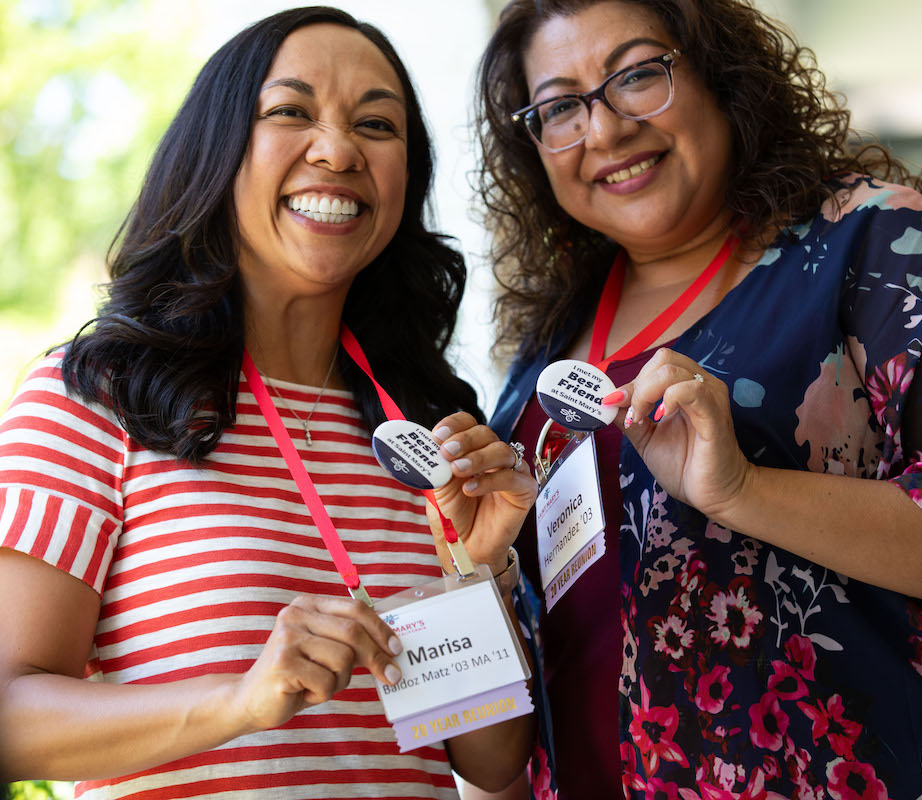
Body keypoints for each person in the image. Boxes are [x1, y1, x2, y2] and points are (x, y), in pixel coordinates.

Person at [474, 0, 922, 797]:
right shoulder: (542, 363)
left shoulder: (877, 246)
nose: (605, 130)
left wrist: (747, 491)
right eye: (560, 107)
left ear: (721, 73)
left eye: (639, 74)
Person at [0, 7, 536, 798]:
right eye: (290, 111)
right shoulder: (92, 397)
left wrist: (476, 568)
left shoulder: (425, 434)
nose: (339, 149)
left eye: (377, 125)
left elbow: (489, 763)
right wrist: (237, 703)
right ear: (216, 150)